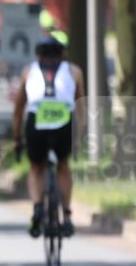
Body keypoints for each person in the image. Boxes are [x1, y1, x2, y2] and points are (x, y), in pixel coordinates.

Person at [12, 36, 84, 238]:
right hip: (64, 123)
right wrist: (79, 137)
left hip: (36, 122)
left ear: (38, 55)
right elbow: (80, 107)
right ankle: (67, 216)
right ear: (64, 54)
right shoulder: (75, 71)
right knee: (63, 165)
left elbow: (18, 109)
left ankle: (37, 207)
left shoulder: (28, 71)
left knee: (36, 168)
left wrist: (17, 138)